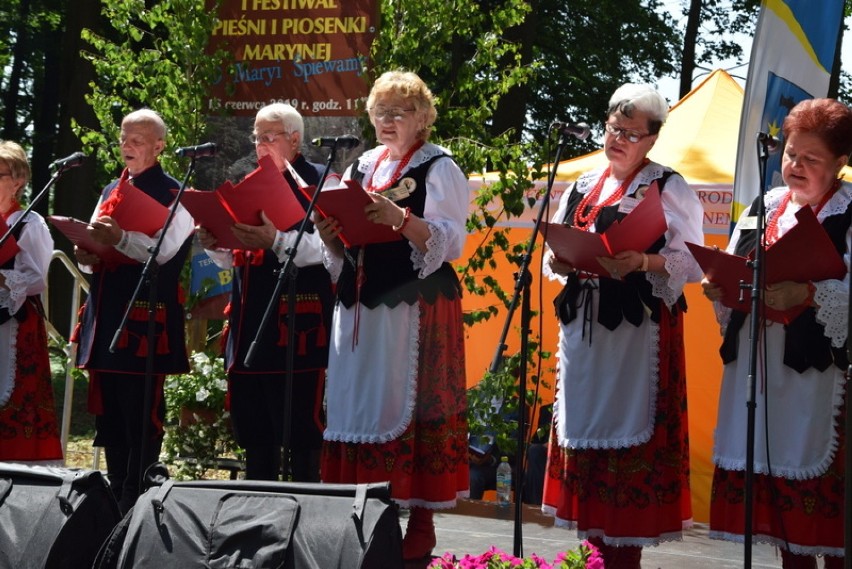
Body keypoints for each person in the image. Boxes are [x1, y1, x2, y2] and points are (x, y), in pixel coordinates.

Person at [541, 83, 703, 568]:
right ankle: (596, 556)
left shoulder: (668, 185)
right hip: (584, 334)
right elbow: (558, 247)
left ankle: (624, 557)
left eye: (631, 133)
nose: (619, 138)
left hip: (637, 333)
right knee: (587, 436)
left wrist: (643, 261)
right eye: (614, 128)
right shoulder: (582, 182)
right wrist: (562, 260)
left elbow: (691, 262)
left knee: (627, 438)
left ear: (652, 139)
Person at [315, 70, 469, 562]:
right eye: (380, 111)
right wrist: (329, 232)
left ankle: (418, 530)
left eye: (398, 111)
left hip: (413, 307)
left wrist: (401, 220)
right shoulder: (361, 165)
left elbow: (452, 242)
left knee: (411, 405)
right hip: (360, 303)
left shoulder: (439, 167)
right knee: (357, 407)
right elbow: (343, 246)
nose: (386, 119)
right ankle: (357, 521)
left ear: (422, 117)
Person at [702, 98, 852, 569]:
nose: (795, 166)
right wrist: (718, 286)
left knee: (828, 527)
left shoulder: (849, 214)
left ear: (841, 163)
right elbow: (734, 263)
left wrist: (807, 293)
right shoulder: (762, 207)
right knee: (785, 530)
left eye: (811, 159)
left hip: (818, 377)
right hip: (758, 371)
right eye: (790, 154)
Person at [197, 102, 333, 482]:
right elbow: (228, 262)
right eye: (256, 137)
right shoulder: (245, 184)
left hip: (297, 327)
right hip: (248, 322)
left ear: (294, 140)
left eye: (268, 137)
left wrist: (276, 239)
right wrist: (213, 241)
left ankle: (306, 513)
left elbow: (328, 252)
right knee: (255, 430)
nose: (259, 145)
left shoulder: (322, 182)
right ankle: (257, 511)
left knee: (302, 431)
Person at [73, 109, 192, 513]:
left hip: (146, 317)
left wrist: (121, 238)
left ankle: (138, 496)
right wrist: (86, 252)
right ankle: (114, 487)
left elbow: (165, 255)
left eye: (138, 139)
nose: (127, 145)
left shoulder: (177, 193)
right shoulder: (110, 188)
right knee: (110, 410)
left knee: (141, 410)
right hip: (107, 313)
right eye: (124, 137)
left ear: (159, 145)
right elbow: (95, 247)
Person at [0, 141, 62, 464]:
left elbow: (38, 278)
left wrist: (3, 278)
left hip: (16, 326)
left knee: (15, 402)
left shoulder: (29, 223)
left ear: (18, 180)